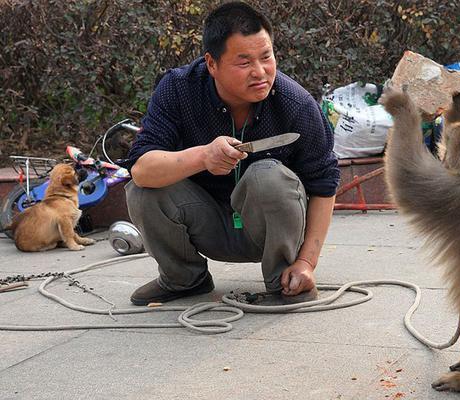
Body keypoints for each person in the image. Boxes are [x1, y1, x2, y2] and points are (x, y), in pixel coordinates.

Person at [123, 2, 339, 306]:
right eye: (244, 62)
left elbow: (325, 184)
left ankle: (285, 282)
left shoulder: (296, 104)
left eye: (266, 57)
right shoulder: (178, 89)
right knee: (143, 191)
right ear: (212, 64)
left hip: (271, 229)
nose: (260, 72)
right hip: (206, 223)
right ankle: (184, 279)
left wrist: (307, 263)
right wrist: (203, 156)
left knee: (268, 175)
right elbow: (141, 169)